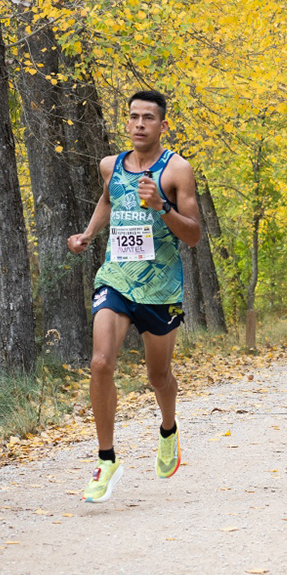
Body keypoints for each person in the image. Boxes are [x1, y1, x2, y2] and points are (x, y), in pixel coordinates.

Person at [67, 90, 201, 503]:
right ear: (126, 122)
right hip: (117, 278)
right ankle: (106, 460)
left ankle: (168, 429)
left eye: (148, 118)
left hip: (160, 288)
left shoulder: (177, 170)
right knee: (100, 362)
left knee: (158, 376)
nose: (139, 124)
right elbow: (108, 199)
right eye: (133, 117)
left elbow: (193, 235)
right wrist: (88, 234)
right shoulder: (110, 165)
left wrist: (161, 206)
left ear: (163, 125)